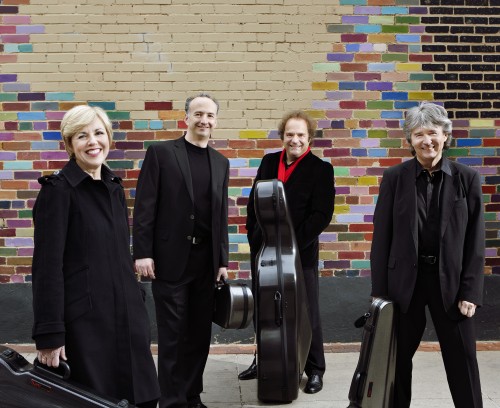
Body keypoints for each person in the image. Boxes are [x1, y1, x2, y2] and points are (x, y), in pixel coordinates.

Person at [31, 105, 160, 408]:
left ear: (109, 139)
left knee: (145, 398)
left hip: (128, 321)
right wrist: (49, 335)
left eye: (99, 133)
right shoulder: (57, 192)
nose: (93, 141)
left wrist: (137, 301)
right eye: (82, 135)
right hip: (86, 328)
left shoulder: (114, 188)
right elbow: (47, 269)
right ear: (69, 145)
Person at [370, 102, 485, 407]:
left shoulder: (467, 178)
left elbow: (475, 240)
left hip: (452, 285)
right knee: (395, 361)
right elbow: (381, 238)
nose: (427, 140)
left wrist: (470, 291)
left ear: (445, 135)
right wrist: (379, 295)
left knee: (463, 360)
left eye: (433, 132)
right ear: (410, 140)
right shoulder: (394, 178)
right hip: (404, 284)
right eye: (419, 134)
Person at [133, 93, 229, 408]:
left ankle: (192, 395)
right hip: (169, 260)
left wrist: (223, 260)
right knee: (172, 336)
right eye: (198, 113)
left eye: (210, 115)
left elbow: (221, 216)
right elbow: (145, 206)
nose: (204, 120)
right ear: (186, 117)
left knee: (199, 335)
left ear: (216, 121)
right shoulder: (161, 153)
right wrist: (142, 252)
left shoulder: (221, 162)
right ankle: (171, 401)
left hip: (206, 263)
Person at [239, 110, 335, 394]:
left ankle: (314, 369)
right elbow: (253, 202)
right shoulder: (269, 161)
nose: (295, 139)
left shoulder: (321, 169)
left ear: (309, 138)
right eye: (290, 134)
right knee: (264, 311)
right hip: (264, 252)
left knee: (307, 312)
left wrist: (291, 244)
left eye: (300, 135)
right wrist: (253, 237)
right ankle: (264, 361)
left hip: (299, 254)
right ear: (283, 136)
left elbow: (321, 215)